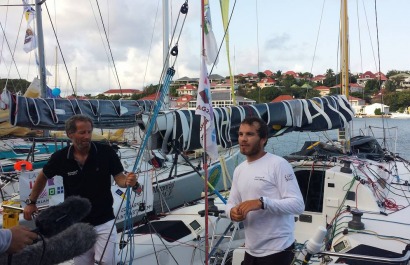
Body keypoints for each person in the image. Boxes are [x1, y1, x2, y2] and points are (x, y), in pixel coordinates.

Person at [23, 114, 138, 265]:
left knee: (107, 261)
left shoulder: (106, 152)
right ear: (70, 134)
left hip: (104, 220)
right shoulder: (60, 158)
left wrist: (128, 181)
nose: (87, 136)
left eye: (89, 132)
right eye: (82, 132)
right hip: (77, 223)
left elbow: (119, 178)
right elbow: (43, 176)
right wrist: (32, 202)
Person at [226, 117, 305, 265]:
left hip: (277, 251)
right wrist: (231, 212)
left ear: (263, 139)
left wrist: (262, 203)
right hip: (250, 251)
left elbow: (298, 205)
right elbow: (231, 202)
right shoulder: (239, 170)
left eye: (249, 134)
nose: (243, 139)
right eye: (241, 134)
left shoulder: (278, 164)